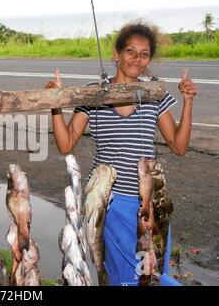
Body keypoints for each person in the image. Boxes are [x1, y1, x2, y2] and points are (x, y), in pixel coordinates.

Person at [50, 22, 198, 286]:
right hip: (109, 204)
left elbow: (178, 145)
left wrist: (188, 102)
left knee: (149, 275)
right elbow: (66, 143)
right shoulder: (94, 94)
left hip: (148, 207)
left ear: (149, 59)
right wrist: (56, 106)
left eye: (144, 54)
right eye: (130, 51)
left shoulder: (154, 94)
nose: (136, 59)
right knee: (123, 278)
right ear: (116, 54)